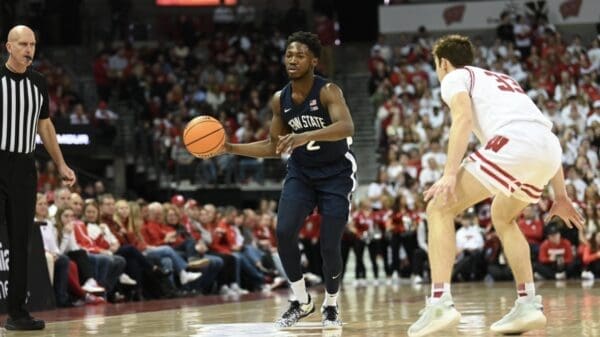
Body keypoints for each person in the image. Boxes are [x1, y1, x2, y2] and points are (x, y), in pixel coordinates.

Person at [407, 34, 583, 337]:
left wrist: (450, 173)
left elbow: (461, 119)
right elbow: (543, 135)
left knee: (439, 207)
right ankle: (528, 303)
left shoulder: (454, 77)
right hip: (548, 150)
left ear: (443, 63)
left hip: (514, 144)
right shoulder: (502, 79)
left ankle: (439, 303)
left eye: (437, 67)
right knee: (503, 215)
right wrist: (561, 195)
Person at [210, 31, 356, 328]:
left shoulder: (328, 91)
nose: (292, 59)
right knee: (284, 231)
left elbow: (346, 126)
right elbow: (274, 147)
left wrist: (306, 135)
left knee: (329, 245)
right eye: (289, 54)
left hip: (336, 174)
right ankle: (301, 299)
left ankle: (331, 302)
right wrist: (229, 147)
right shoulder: (280, 100)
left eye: (300, 55)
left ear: (314, 60)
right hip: (301, 173)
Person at [0, 25, 76, 330]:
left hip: (23, 166)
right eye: (22, 44)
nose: (29, 49)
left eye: (32, 44)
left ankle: (17, 313)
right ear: (8, 46)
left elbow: (44, 126)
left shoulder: (38, 82)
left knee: (21, 242)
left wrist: (61, 164)